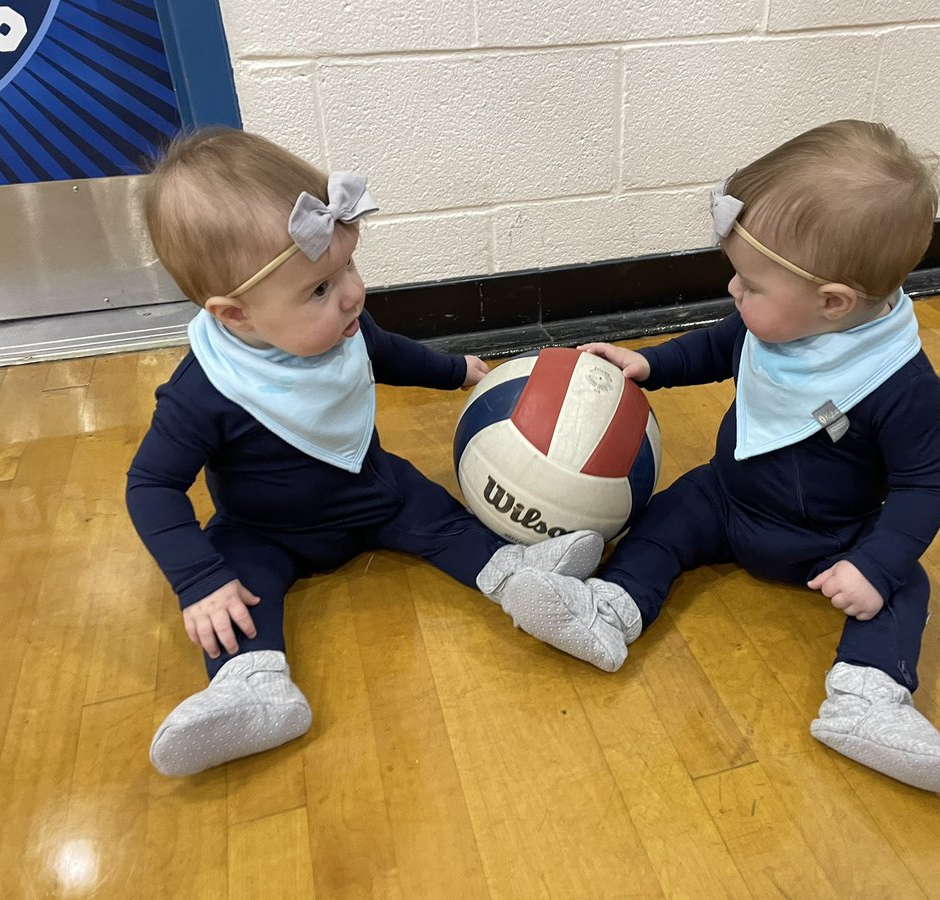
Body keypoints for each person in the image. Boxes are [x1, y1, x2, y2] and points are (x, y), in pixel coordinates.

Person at [493, 120, 940, 793]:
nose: (733, 293)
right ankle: (609, 611)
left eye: (750, 283)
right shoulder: (778, 319)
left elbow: (926, 486)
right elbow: (717, 347)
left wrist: (872, 564)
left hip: (830, 540)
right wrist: (649, 363)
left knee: (905, 584)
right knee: (668, 514)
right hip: (730, 497)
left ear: (833, 303)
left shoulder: (900, 382)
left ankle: (869, 696)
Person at [127, 128, 603, 776]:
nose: (352, 293)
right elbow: (150, 486)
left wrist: (456, 368)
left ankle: (520, 579)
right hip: (266, 530)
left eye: (348, 265)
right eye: (320, 288)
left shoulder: (347, 325)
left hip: (371, 491)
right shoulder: (204, 392)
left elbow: (390, 354)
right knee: (239, 592)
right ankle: (251, 689)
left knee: (437, 514)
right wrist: (198, 580)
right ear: (236, 315)